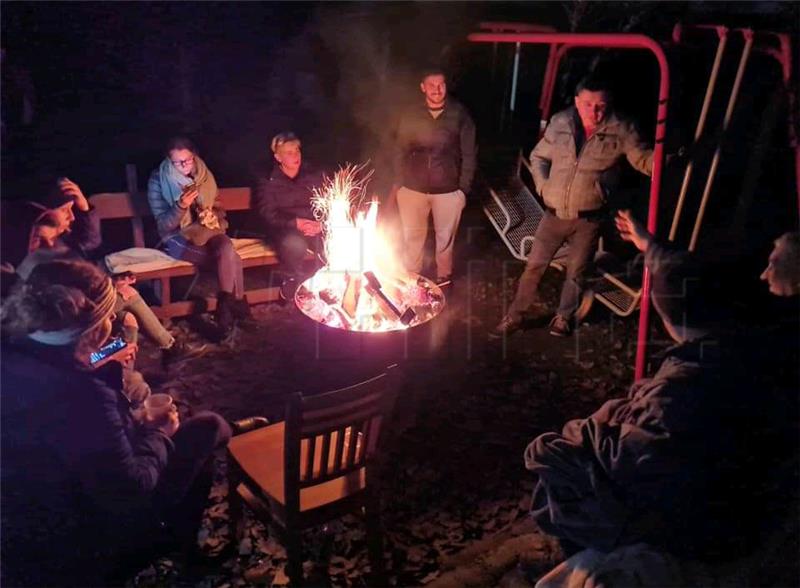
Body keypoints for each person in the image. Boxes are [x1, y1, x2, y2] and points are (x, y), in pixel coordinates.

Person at [524, 210, 798, 566]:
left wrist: (586, 427)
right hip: (710, 485)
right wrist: (647, 242)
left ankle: (570, 550)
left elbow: (629, 460)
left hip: (682, 519)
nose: (764, 273)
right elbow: (677, 270)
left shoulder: (685, 386)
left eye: (774, 261)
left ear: (666, 312)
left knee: (546, 455)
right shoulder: (739, 339)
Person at [1, 259, 232, 586]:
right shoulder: (82, 393)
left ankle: (182, 543)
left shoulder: (14, 348)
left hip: (22, 513)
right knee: (210, 427)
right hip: (79, 532)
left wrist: (125, 413)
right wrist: (157, 433)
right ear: (94, 327)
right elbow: (129, 489)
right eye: (109, 315)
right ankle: (175, 546)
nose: (113, 320)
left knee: (180, 422)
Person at [492, 74, 654, 338]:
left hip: (589, 220)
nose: (595, 111)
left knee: (577, 272)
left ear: (608, 103)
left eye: (600, 105)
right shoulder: (561, 122)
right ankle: (514, 316)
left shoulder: (622, 128)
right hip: (553, 216)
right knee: (534, 267)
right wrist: (543, 186)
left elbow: (643, 160)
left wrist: (660, 161)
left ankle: (563, 317)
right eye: (588, 104)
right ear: (577, 102)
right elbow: (538, 156)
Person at [17, 177, 206, 368]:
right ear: (44, 214)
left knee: (129, 320)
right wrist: (103, 356)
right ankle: (130, 366)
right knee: (129, 299)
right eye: (65, 210)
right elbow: (69, 294)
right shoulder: (33, 259)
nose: (71, 217)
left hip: (75, 323)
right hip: (71, 331)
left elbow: (87, 246)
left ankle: (126, 375)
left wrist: (85, 209)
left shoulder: (55, 242)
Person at [147, 136, 251, 334]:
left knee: (226, 248)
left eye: (187, 159)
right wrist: (181, 206)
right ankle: (235, 308)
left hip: (208, 231)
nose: (184, 165)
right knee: (231, 258)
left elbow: (219, 205)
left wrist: (213, 216)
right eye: (178, 162)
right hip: (176, 239)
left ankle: (225, 310)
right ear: (170, 161)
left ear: (194, 156)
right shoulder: (158, 180)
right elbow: (163, 225)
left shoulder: (205, 175)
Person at [393, 66, 477, 288]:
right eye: (431, 85)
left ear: (445, 86)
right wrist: (401, 183)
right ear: (423, 87)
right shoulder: (411, 114)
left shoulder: (459, 114)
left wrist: (463, 190)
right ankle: (411, 278)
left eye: (440, 84)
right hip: (413, 189)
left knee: (445, 240)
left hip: (448, 190)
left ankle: (443, 279)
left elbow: (470, 153)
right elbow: (399, 150)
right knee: (413, 237)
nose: (436, 89)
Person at [254, 131, 324, 300]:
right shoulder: (269, 180)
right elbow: (268, 213)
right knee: (294, 244)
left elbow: (326, 201)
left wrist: (321, 223)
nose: (295, 156)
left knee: (332, 240)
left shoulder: (311, 175)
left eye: (297, 151)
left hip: (312, 225)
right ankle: (292, 282)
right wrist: (295, 223)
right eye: (289, 152)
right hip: (284, 228)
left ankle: (328, 285)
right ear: (278, 158)